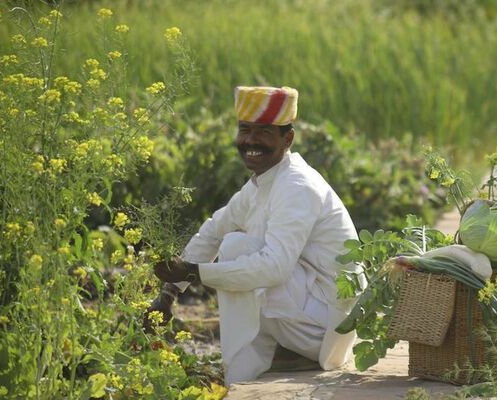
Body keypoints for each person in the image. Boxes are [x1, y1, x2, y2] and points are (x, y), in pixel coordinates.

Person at [146, 86, 364, 385]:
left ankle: (246, 367)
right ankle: (275, 355)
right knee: (232, 242)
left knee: (237, 249)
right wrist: (168, 296)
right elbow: (214, 228)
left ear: (287, 139)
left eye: (263, 132)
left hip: (327, 326)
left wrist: (196, 272)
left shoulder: (297, 186)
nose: (250, 140)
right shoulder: (264, 183)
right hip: (310, 313)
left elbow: (274, 268)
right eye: (245, 130)